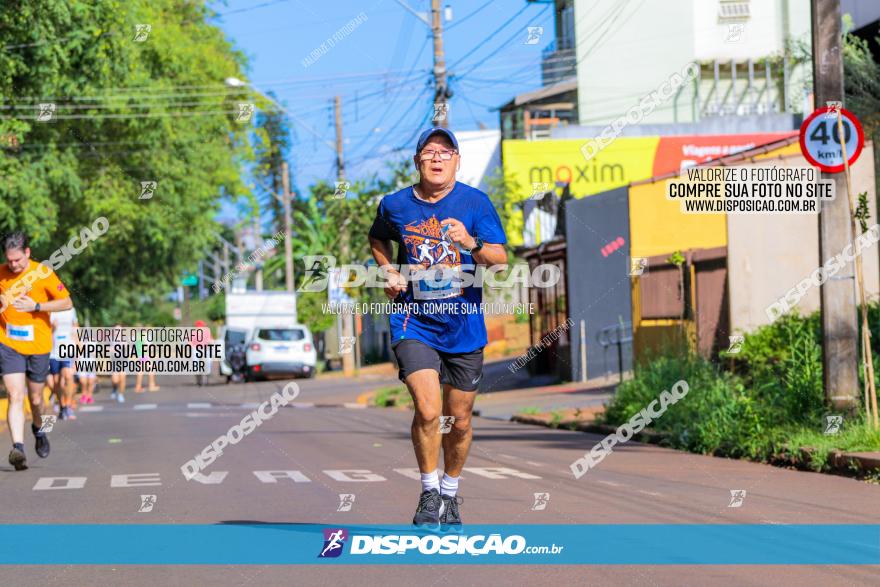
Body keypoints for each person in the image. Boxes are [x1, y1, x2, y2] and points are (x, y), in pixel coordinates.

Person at [368, 127, 508, 529]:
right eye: (429, 152)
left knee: (459, 420)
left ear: (457, 161)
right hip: (414, 321)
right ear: (417, 162)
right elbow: (377, 239)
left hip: (464, 326)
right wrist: (389, 269)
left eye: (446, 152)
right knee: (429, 411)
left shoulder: (475, 203)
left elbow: (499, 260)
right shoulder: (395, 205)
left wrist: (470, 243)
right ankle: (428, 491)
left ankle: (450, 492)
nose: (437, 158)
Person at [0, 231, 74, 470]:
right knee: (15, 395)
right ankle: (18, 449)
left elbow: (67, 302)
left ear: (28, 253)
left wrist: (38, 306)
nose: (13, 265)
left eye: (17, 260)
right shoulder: (1, 273)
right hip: (8, 344)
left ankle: (39, 431)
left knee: (35, 400)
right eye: (9, 260)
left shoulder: (43, 274)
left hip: (39, 346)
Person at [49, 306, 79, 420]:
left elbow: (76, 328)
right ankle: (62, 405)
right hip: (53, 351)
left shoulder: (71, 310)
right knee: (56, 382)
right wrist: (53, 327)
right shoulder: (50, 309)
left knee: (68, 375)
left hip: (68, 348)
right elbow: (45, 331)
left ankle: (69, 404)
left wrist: (78, 346)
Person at [109, 324, 127, 403]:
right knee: (115, 380)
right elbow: (109, 350)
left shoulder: (125, 339)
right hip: (114, 362)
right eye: (116, 330)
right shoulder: (111, 340)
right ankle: (114, 388)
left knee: (122, 378)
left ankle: (121, 394)